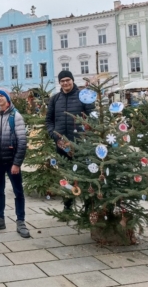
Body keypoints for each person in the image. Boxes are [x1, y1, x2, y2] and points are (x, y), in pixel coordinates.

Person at [0, 89, 30, 238]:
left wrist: (17, 163)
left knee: (18, 192)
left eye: (1, 96)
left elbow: (22, 141)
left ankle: (21, 221)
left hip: (11, 162)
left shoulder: (15, 116)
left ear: (7, 98)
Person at [45, 70, 94, 210]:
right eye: (62, 81)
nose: (65, 83)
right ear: (59, 83)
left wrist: (86, 135)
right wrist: (53, 134)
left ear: (72, 80)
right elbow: (49, 120)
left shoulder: (82, 96)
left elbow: (92, 117)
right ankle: (68, 205)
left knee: (83, 174)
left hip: (80, 144)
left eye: (68, 80)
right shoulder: (55, 99)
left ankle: (87, 206)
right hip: (61, 144)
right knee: (65, 175)